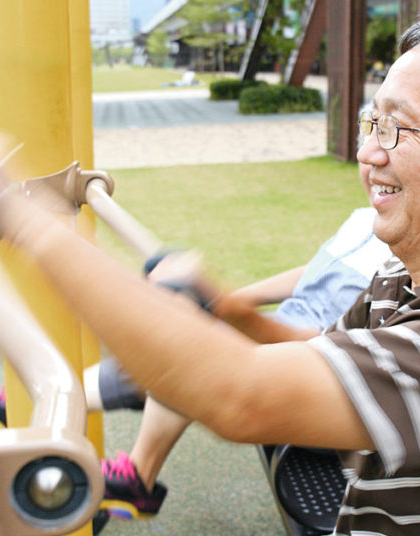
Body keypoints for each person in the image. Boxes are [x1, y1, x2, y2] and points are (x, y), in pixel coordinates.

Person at [0, 9, 420, 535]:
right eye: (374, 121)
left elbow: (241, 398)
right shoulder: (419, 277)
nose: (369, 151)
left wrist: (17, 213)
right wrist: (230, 310)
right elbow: (321, 352)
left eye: (401, 128)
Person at [95, 197, 390, 520]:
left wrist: (219, 305)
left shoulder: (405, 252)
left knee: (190, 351)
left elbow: (328, 349)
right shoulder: (367, 217)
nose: (370, 156)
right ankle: (110, 399)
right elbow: (315, 270)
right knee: (170, 342)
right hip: (284, 339)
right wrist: (230, 299)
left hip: (317, 378)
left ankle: (138, 473)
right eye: (366, 142)